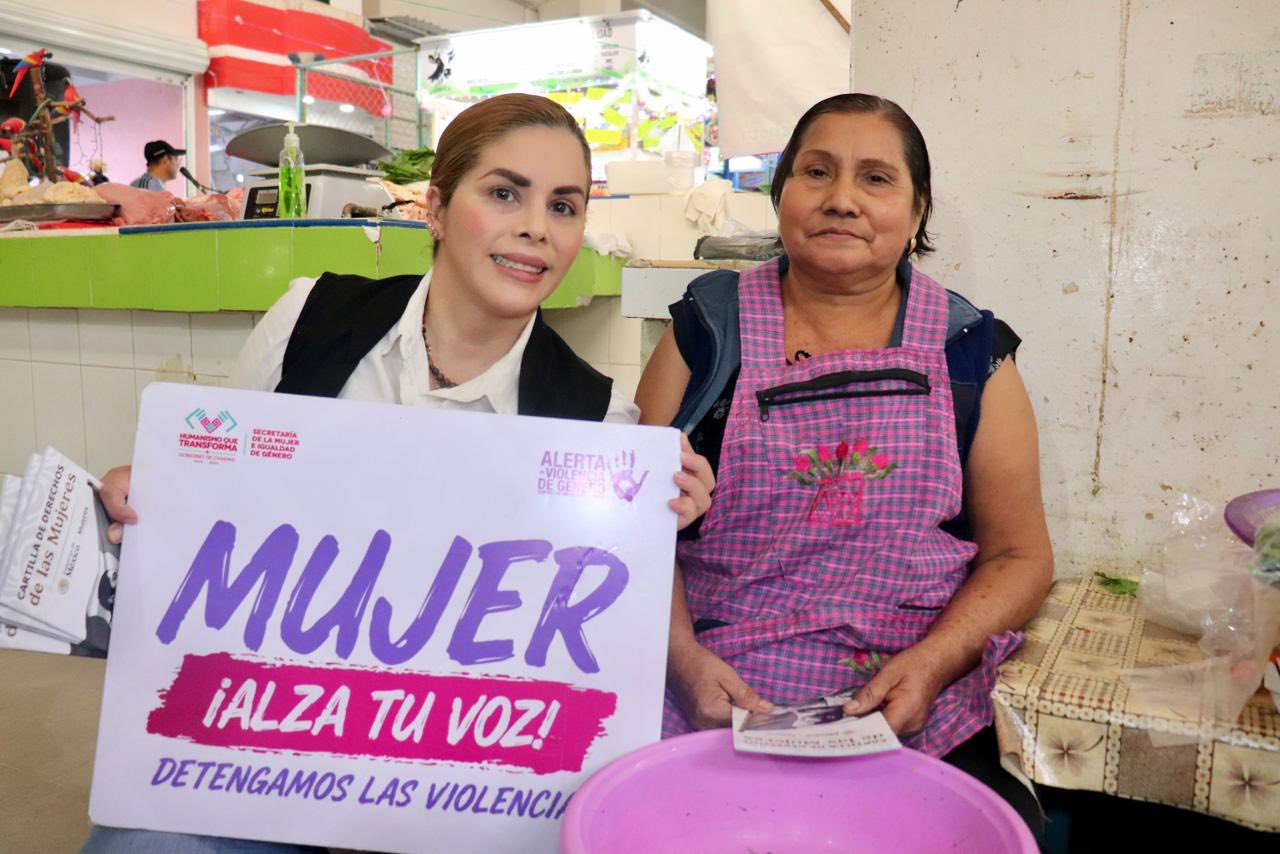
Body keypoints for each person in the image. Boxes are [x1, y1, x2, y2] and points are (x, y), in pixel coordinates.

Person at [86, 94, 714, 854]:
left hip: (460, 779)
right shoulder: (309, 318)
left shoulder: (600, 422)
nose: (536, 228)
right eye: (504, 193)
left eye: (564, 205)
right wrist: (154, 493)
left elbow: (594, 646)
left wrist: (661, 522)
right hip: (269, 742)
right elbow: (220, 485)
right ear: (438, 208)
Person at [635, 93, 1053, 836]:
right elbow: (634, 532)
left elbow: (1020, 554)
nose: (841, 200)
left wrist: (934, 662)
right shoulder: (706, 333)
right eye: (816, 172)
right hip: (712, 683)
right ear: (781, 192)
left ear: (919, 211)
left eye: (877, 179)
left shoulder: (971, 353)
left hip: (911, 692)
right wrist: (682, 660)